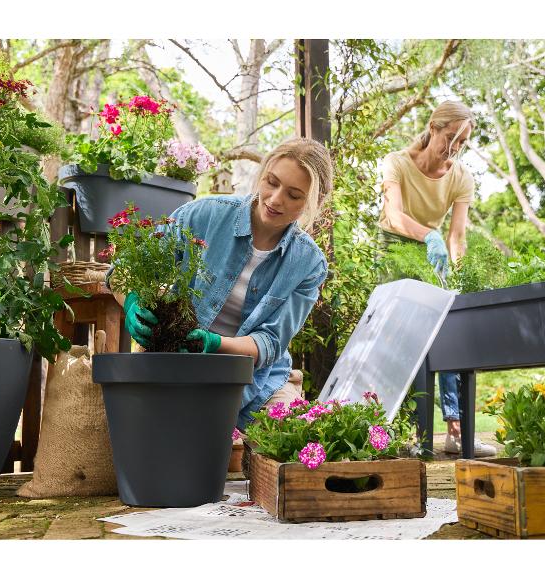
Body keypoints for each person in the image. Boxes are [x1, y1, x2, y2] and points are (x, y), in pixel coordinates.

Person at [107, 137, 333, 430]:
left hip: (258, 381)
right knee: (155, 440)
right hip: (178, 365)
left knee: (288, 441)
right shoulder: (205, 215)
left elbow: (271, 342)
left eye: (293, 195)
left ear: (314, 201)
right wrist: (133, 301)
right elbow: (123, 271)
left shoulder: (308, 264)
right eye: (271, 182)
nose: (276, 199)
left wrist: (213, 344)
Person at [378, 101, 496, 457]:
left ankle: (455, 431)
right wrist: (429, 234)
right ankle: (396, 434)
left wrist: (458, 281)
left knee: (448, 331)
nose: (453, 148)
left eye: (461, 142)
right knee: (403, 336)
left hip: (433, 252)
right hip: (395, 246)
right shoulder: (396, 162)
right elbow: (394, 216)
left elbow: (457, 237)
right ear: (433, 128)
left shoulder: (461, 176)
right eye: (449, 138)